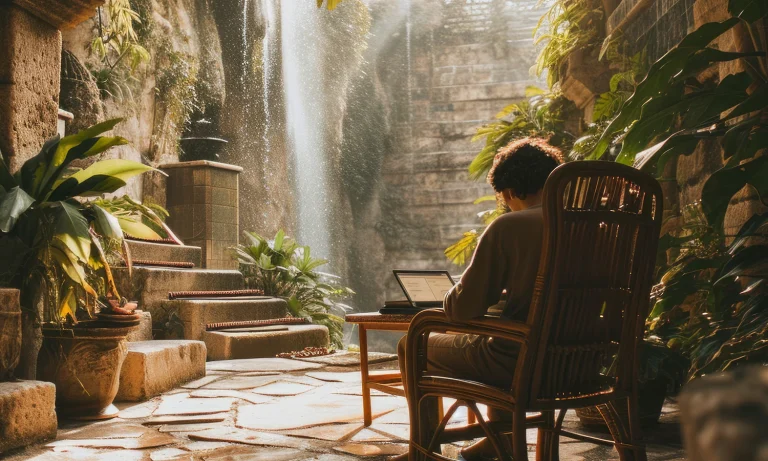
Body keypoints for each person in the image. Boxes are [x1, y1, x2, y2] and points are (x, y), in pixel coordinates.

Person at [395, 137, 564, 461]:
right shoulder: (595, 226)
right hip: (576, 366)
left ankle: (424, 449)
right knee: (502, 330)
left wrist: (452, 292)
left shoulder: (510, 226)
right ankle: (499, 443)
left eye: (504, 199)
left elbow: (463, 308)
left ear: (510, 191)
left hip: (519, 365)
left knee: (411, 343)